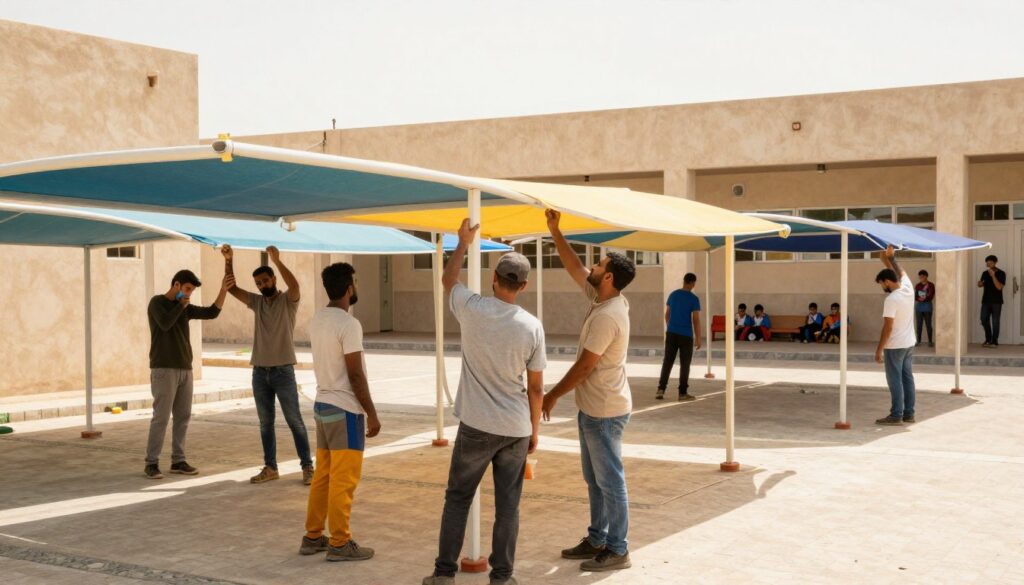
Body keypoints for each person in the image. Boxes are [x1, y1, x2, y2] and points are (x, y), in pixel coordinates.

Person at [423, 219, 546, 585]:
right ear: (523, 286)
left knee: (458, 499)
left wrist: (462, 243)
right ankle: (503, 577)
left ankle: (444, 574)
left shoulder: (472, 308)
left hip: (477, 426)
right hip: (515, 428)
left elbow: (448, 281)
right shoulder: (531, 326)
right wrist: (534, 431)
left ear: (494, 278)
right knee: (508, 506)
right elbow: (536, 389)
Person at [541, 209, 636, 573]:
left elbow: (585, 366)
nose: (592, 268)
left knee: (611, 482)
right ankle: (597, 538)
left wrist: (551, 396)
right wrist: (555, 231)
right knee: (594, 479)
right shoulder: (602, 297)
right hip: (593, 409)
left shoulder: (608, 315)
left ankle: (618, 548)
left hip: (605, 413)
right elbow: (573, 267)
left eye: (598, 265)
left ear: (608, 277)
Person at [299, 262, 380, 562]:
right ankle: (339, 543)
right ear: (349, 288)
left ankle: (313, 536)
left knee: (323, 475)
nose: (356, 287)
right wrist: (371, 413)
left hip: (322, 406)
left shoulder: (318, 319)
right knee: (343, 482)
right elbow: (355, 375)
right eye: (355, 282)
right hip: (345, 410)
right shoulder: (349, 325)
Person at [222, 244, 314, 486]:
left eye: (265, 280)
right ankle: (270, 467)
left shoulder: (288, 301)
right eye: (258, 284)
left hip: (283, 371)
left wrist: (277, 260)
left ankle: (307, 467)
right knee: (265, 423)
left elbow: (295, 286)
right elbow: (231, 289)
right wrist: (229, 260)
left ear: (273, 279)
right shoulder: (257, 303)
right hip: (259, 372)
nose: (262, 286)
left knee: (295, 421)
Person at [144, 269, 231, 479]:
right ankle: (151, 463)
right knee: (161, 417)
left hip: (185, 369)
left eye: (191, 290)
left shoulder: (184, 307)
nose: (189, 293)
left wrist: (223, 290)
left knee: (183, 416)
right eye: (187, 289)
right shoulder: (157, 303)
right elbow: (164, 324)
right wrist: (181, 306)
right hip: (164, 369)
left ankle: (178, 460)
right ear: (176, 285)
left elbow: (212, 312)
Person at [874, 246, 917, 425]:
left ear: (887, 282)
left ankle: (896, 414)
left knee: (895, 381)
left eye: (882, 284)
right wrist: (890, 258)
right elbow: (901, 272)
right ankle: (909, 413)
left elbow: (888, 328)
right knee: (907, 378)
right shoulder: (908, 288)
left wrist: (879, 350)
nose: (882, 287)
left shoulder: (891, 299)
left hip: (895, 346)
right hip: (909, 344)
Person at [657, 272, 701, 401]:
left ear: (683, 281)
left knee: (667, 361)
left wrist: (671, 327)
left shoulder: (673, 295)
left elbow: (667, 315)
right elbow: (696, 320)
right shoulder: (693, 299)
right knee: (685, 364)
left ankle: (661, 389)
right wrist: (698, 338)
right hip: (686, 335)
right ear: (693, 283)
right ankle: (682, 393)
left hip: (671, 334)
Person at [977, 254, 1006, 348]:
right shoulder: (984, 273)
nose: (988, 264)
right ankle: (988, 339)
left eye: (990, 262)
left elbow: (999, 287)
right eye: (987, 263)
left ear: (995, 262)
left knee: (995, 321)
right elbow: (980, 284)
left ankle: (994, 341)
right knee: (983, 319)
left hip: (996, 301)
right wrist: (980, 283)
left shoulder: (1001, 273)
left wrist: (993, 276)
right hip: (985, 300)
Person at [914, 269, 935, 348]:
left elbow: (931, 295)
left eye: (922, 276)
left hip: (927, 307)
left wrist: (924, 298)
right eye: (920, 277)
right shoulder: (917, 285)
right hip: (919, 307)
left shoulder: (931, 285)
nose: (921, 278)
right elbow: (916, 296)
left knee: (928, 325)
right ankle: (918, 341)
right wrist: (920, 299)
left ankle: (930, 341)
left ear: (926, 276)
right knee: (919, 325)